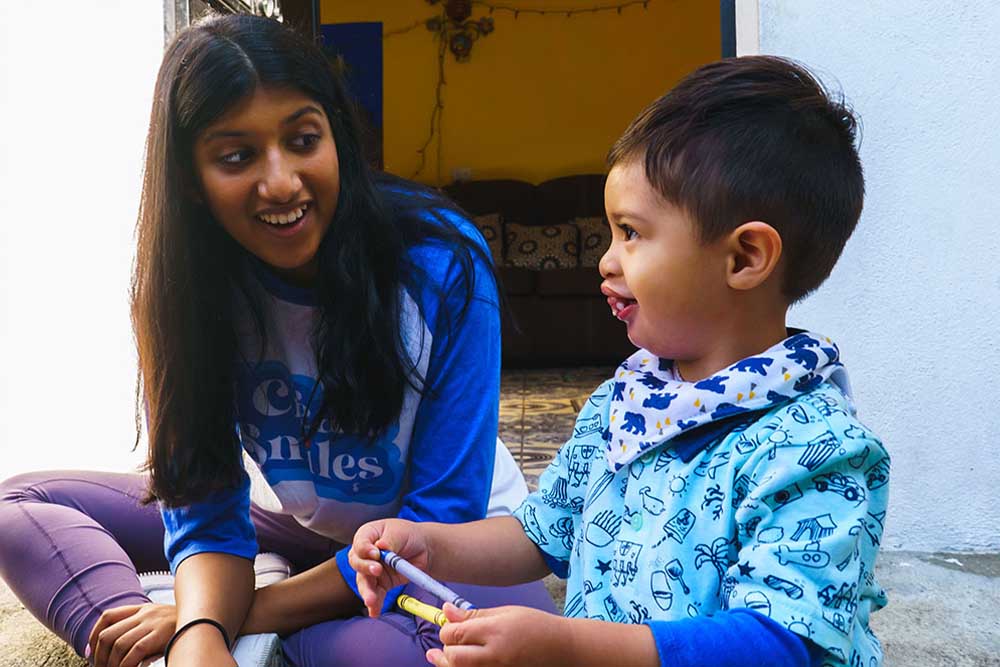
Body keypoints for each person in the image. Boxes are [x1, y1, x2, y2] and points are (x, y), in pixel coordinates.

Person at [0, 13, 554, 667]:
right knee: (20, 506)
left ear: (336, 137)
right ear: (191, 178)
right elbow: (204, 509)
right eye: (236, 156)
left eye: (302, 139)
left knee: (416, 656)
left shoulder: (441, 262)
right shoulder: (187, 288)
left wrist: (212, 614)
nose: (282, 181)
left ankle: (266, 634)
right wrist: (198, 636)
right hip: (295, 523)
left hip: (442, 546)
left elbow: (436, 519)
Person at [350, 55, 890, 667]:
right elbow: (540, 533)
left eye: (630, 233)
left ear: (744, 258)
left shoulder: (818, 449)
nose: (606, 261)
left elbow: (777, 644)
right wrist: (427, 546)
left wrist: (566, 646)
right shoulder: (626, 404)